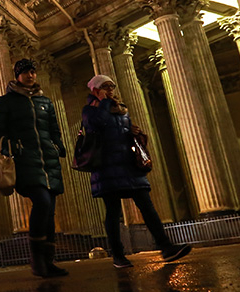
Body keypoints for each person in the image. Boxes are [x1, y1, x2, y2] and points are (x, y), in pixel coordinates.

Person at [81, 74, 190, 269]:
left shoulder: (122, 110)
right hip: (107, 168)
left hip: (128, 165)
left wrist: (134, 132)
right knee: (113, 212)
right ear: (95, 91)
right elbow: (98, 124)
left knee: (147, 206)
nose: (110, 90)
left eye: (112, 87)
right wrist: (105, 104)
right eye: (105, 87)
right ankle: (118, 255)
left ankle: (166, 247)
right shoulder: (89, 111)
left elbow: (118, 132)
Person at [0, 58, 69, 278]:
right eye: (25, 72)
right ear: (17, 75)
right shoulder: (6, 102)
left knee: (49, 212)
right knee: (42, 203)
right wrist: (12, 147)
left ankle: (48, 262)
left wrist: (57, 146)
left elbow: (54, 129)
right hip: (26, 162)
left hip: (48, 162)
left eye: (33, 72)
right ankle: (36, 261)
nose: (31, 75)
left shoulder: (45, 102)